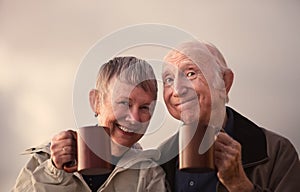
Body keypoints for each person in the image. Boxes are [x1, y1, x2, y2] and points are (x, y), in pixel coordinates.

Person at [158, 41, 300, 192]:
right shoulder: (159, 160)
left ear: (225, 82)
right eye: (169, 79)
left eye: (191, 74)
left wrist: (238, 184)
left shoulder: (277, 151)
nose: (177, 90)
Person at [12, 56, 168, 192]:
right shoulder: (46, 160)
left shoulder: (149, 174)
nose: (134, 118)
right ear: (96, 102)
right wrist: (54, 171)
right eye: (123, 103)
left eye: (144, 108)